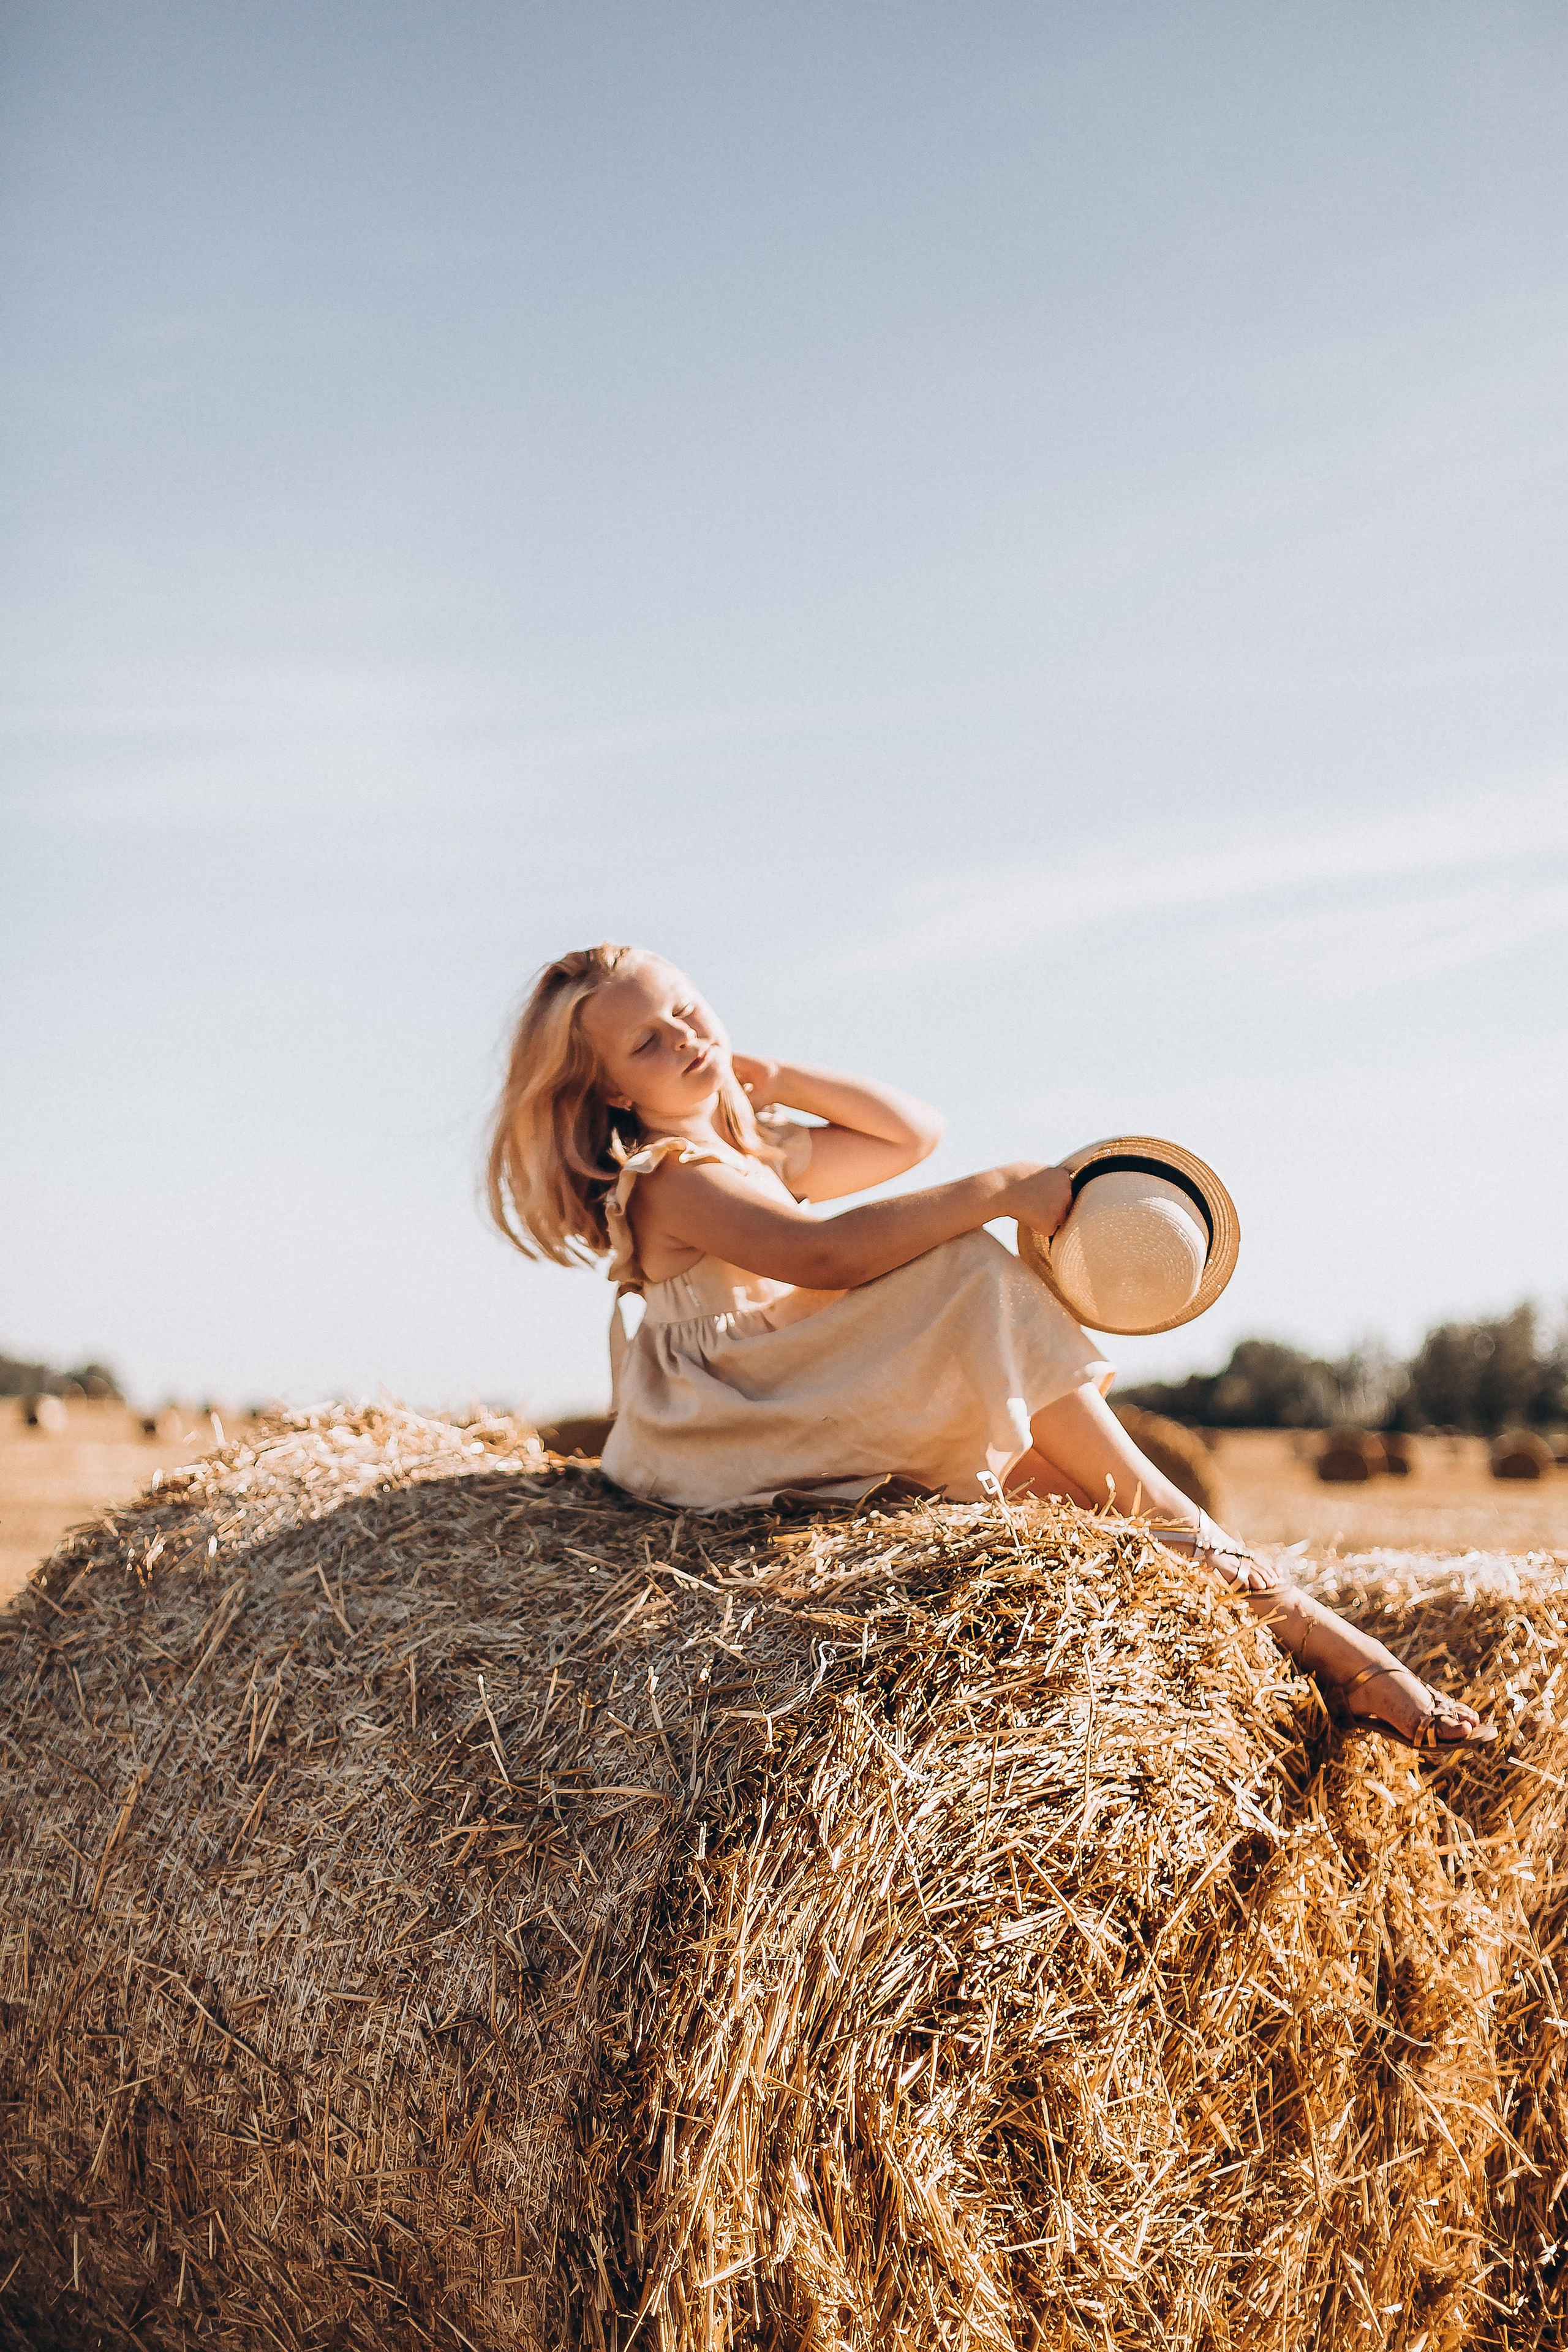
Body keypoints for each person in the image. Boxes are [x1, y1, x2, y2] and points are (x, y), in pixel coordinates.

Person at [487, 942, 1492, 1757]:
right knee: (971, 1273)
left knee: (1074, 1495)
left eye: (691, 1008)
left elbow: (912, 1135)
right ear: (609, 1091)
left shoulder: (748, 1142)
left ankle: (1294, 1646)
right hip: (728, 1417)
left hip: (783, 1387)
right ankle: (1320, 1629)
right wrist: (1004, 1187)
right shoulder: (674, 1175)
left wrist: (767, 1075)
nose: (688, 1037)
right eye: (651, 1045)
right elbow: (823, 1254)